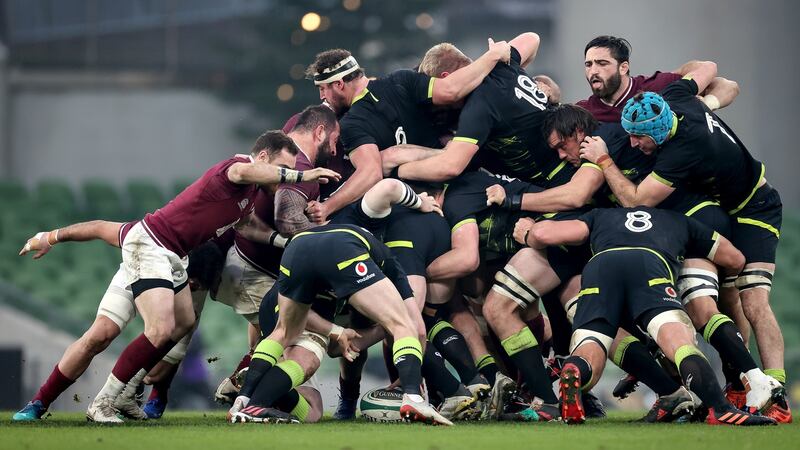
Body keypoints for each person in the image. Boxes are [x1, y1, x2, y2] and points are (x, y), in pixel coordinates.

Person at [49, 131, 338, 423]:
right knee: (148, 332)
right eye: (283, 169)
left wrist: (284, 242)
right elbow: (244, 170)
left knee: (183, 324)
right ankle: (103, 401)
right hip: (154, 248)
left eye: (290, 172)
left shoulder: (250, 194)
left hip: (175, 257)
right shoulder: (235, 168)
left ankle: (130, 395)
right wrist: (303, 176)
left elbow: (247, 226)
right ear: (263, 158)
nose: (284, 178)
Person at [579, 66, 790, 422]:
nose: (633, 145)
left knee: (752, 299)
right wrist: (706, 102)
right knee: (716, 298)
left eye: (638, 139)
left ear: (659, 134)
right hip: (721, 209)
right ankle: (738, 382)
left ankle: (774, 391)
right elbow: (726, 79)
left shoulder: (683, 151)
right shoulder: (676, 98)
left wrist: (603, 159)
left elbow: (634, 199)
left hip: (754, 209)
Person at [517, 207, 776, 426]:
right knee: (677, 341)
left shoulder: (601, 215)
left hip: (600, 267)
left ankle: (576, 368)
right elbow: (735, 258)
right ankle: (721, 409)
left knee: (591, 343)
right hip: (649, 264)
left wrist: (528, 233)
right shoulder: (679, 219)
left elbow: (545, 233)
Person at [12, 221, 222, 421]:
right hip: (136, 270)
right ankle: (39, 402)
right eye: (192, 285)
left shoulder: (194, 263)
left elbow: (156, 371)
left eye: (196, 288)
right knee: (99, 335)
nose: (193, 290)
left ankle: (136, 395)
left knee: (158, 367)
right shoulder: (149, 235)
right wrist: (50, 237)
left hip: (173, 280)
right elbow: (98, 227)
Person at [304, 41, 511, 224]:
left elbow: (371, 172)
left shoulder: (351, 122)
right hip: (472, 180)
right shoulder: (401, 79)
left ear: (339, 84)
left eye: (323, 88)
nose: (322, 96)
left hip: (417, 209)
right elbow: (451, 89)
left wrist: (326, 207)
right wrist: (493, 55)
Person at [576, 35, 738, 123]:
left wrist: (704, 105)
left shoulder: (656, 87)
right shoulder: (584, 112)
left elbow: (728, 85)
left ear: (623, 67)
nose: (593, 71)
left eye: (602, 63)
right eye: (588, 64)